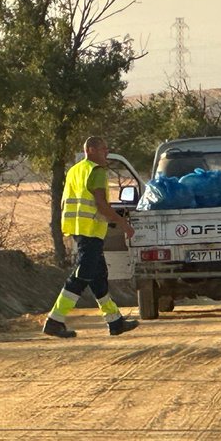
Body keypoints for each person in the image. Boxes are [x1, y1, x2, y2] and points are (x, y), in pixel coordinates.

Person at [43, 136, 140, 339]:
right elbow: (101, 205)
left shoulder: (75, 170)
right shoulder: (96, 171)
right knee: (82, 275)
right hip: (91, 231)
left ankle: (114, 321)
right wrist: (123, 224)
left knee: (98, 277)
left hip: (79, 230)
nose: (107, 152)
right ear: (92, 150)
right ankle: (55, 320)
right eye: (104, 149)